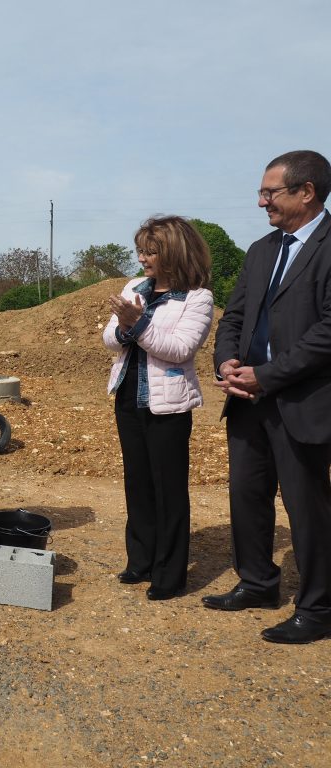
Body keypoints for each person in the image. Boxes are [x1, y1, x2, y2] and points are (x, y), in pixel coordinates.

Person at [205, 149, 331, 644]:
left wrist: (269, 374)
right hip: (248, 399)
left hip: (303, 402)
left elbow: (327, 332)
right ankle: (257, 582)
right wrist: (227, 362)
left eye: (270, 192)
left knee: (307, 506)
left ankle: (319, 608)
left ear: (307, 192)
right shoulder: (261, 251)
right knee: (246, 495)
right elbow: (233, 316)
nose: (262, 202)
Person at [103, 216, 214, 601]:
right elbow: (109, 338)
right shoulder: (135, 287)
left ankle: (169, 575)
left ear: (173, 253)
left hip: (168, 406)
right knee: (137, 482)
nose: (143, 258)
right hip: (128, 398)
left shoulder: (197, 297)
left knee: (168, 488)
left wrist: (136, 323)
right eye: (141, 250)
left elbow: (180, 349)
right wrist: (122, 327)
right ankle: (141, 560)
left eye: (151, 251)